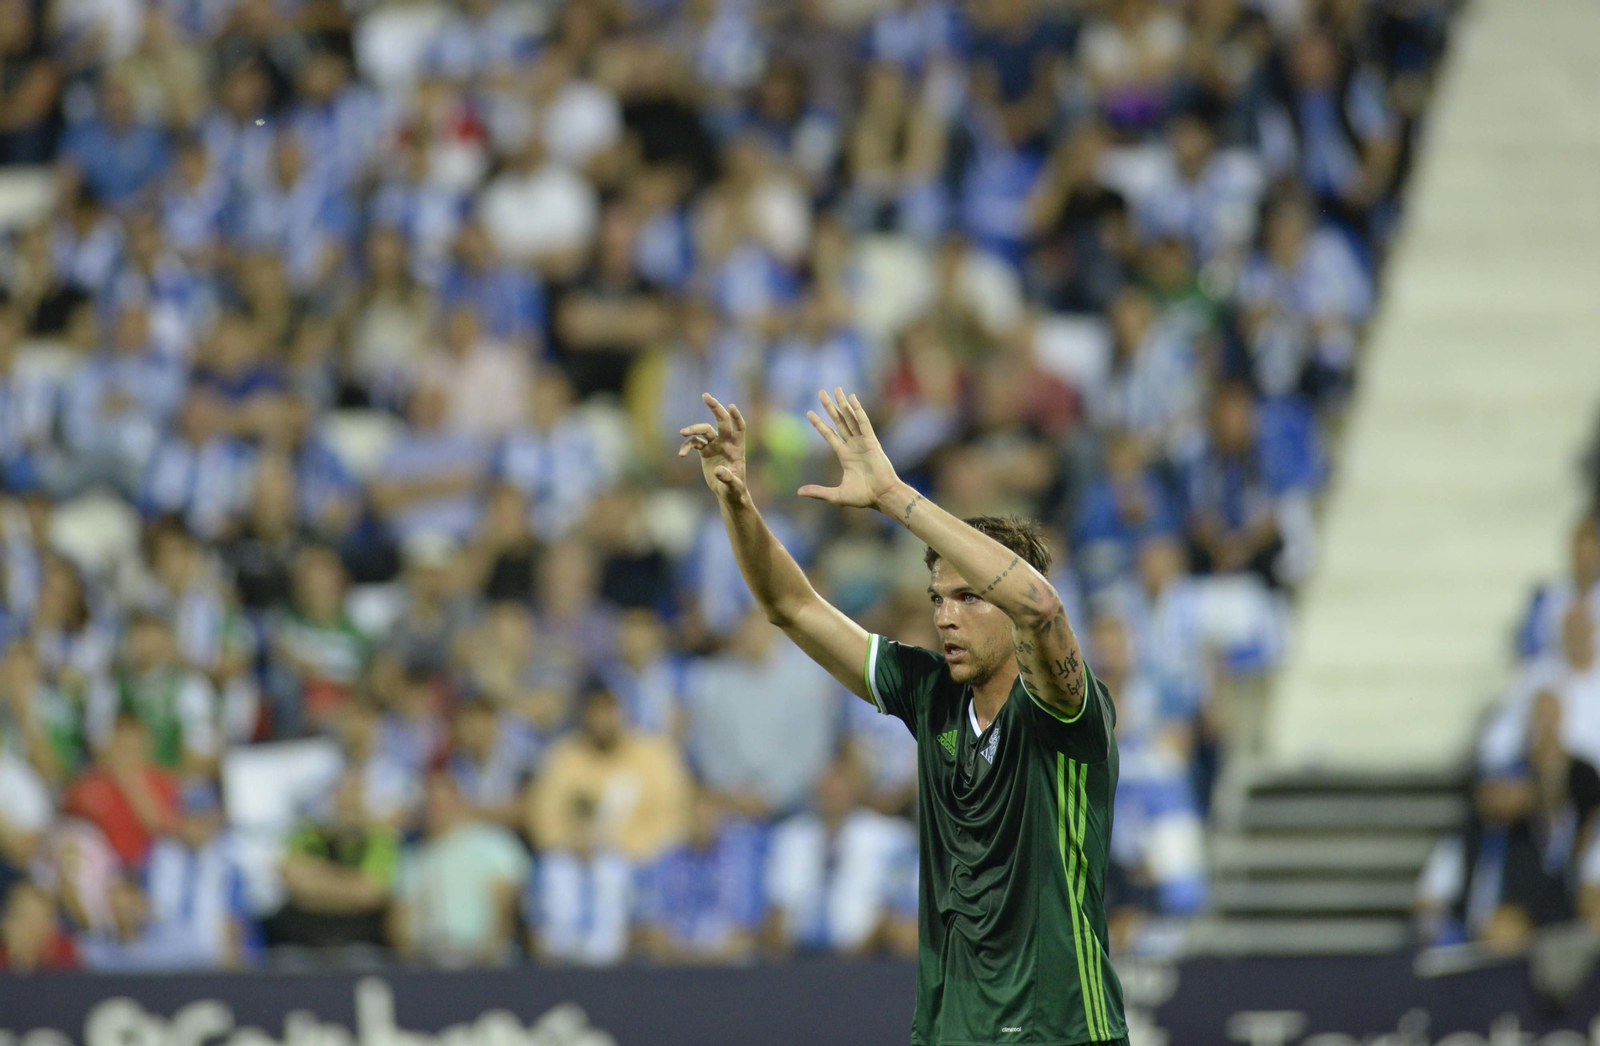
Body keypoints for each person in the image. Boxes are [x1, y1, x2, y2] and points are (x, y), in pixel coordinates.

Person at [680, 388, 1127, 1044]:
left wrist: (892, 495)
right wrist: (736, 502)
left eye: (969, 597)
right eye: (936, 597)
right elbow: (791, 607)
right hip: (947, 1030)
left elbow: (1039, 606)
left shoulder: (1067, 713)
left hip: (1061, 1030)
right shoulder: (930, 693)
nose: (944, 614)